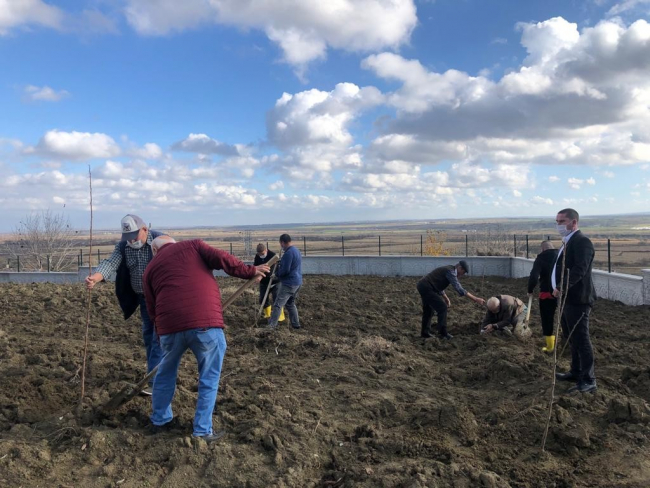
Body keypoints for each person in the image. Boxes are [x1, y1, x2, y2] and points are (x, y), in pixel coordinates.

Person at [143, 236, 270, 441]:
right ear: (174, 243)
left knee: (164, 373)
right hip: (204, 323)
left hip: (169, 328)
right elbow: (222, 259)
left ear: (156, 251)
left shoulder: (150, 269)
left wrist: (160, 334)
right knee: (208, 376)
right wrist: (249, 271)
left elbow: (151, 308)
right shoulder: (193, 246)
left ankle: (160, 420)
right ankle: (202, 430)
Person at [85, 214, 166, 395]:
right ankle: (157, 373)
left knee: (158, 338)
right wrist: (95, 279)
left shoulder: (161, 241)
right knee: (148, 336)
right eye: (127, 238)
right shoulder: (123, 247)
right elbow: (110, 263)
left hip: (162, 298)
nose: (131, 241)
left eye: (134, 237)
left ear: (144, 230)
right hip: (144, 299)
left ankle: (155, 382)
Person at [552, 208, 597, 394]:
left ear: (574, 222)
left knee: (581, 338)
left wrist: (561, 286)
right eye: (557, 222)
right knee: (571, 337)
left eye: (562, 222)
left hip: (578, 299)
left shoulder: (582, 242)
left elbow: (580, 269)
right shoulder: (568, 242)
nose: (559, 226)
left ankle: (588, 380)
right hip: (567, 299)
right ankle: (576, 371)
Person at [417, 261, 485, 340]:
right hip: (426, 287)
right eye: (463, 272)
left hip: (423, 286)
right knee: (442, 308)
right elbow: (459, 288)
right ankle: (443, 333)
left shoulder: (448, 269)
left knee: (429, 310)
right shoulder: (451, 272)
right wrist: (476, 299)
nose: (461, 275)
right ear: (459, 268)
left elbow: (438, 285)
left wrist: (446, 298)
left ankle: (425, 333)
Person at [528, 240, 559, 353]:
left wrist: (530, 289)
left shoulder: (541, 258)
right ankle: (567, 341)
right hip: (562, 292)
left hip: (547, 293)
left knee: (547, 318)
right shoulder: (561, 255)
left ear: (542, 249)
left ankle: (550, 346)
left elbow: (534, 276)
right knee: (564, 318)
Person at [268, 234, 302, 329]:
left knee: (278, 304)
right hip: (297, 282)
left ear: (282, 242)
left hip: (289, 283)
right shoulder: (296, 251)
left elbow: (285, 270)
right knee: (290, 304)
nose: (280, 245)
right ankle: (296, 325)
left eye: (280, 243)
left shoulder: (288, 253)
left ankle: (272, 326)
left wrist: (276, 274)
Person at [253, 243, 284, 322]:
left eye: (262, 254)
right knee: (262, 298)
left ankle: (280, 316)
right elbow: (255, 267)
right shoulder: (257, 256)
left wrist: (260, 276)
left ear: (266, 250)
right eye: (259, 254)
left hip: (274, 281)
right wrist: (255, 277)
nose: (261, 255)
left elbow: (270, 270)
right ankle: (267, 314)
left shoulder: (273, 256)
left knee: (276, 299)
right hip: (264, 282)